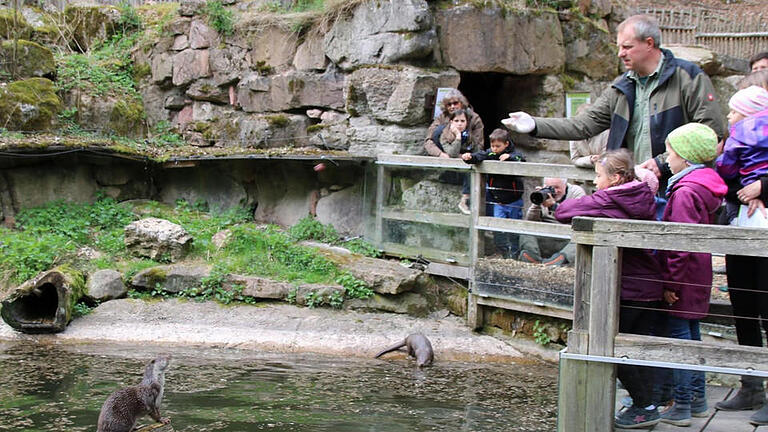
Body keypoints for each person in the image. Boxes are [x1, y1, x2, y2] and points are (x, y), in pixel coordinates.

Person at [502, 14, 726, 184]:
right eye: (619, 47)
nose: (620, 53)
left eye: (627, 47)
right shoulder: (621, 87)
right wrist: (535, 124)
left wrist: (662, 163)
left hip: (678, 183)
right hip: (632, 185)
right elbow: (583, 125)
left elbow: (711, 132)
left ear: (649, 44)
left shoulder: (688, 78)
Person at [554, 149, 663, 429]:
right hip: (648, 282)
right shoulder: (641, 193)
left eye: (599, 176)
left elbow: (563, 211)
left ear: (615, 178)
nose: (596, 181)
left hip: (626, 285)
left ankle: (644, 405)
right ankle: (648, 401)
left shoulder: (610, 198)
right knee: (638, 347)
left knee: (612, 348)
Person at [654, 123, 727, 426]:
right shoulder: (706, 184)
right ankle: (698, 398)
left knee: (680, 338)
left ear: (685, 156)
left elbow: (679, 243)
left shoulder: (685, 192)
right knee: (692, 334)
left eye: (670, 153)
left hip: (683, 276)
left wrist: (670, 283)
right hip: (699, 271)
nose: (666, 158)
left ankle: (681, 403)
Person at [714, 72, 768, 426]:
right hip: (741, 229)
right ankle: (751, 386)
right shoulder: (734, 143)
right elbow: (726, 178)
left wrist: (763, 186)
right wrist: (744, 189)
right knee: (744, 308)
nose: (729, 119)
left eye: (734, 113)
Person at [461, 128, 526, 258]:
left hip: (513, 201)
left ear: (506, 144)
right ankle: (503, 253)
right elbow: (480, 156)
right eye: (493, 146)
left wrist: (510, 157)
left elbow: (521, 158)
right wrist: (469, 157)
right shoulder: (490, 153)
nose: (495, 149)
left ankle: (515, 253)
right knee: (498, 228)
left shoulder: (514, 154)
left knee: (514, 228)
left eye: (498, 146)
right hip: (498, 201)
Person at [423, 89, 484, 214]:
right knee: (439, 130)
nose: (452, 107)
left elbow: (479, 145)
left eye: (455, 103)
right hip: (446, 154)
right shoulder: (441, 118)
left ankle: (465, 200)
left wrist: (460, 154)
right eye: (449, 104)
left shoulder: (474, 118)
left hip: (466, 155)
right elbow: (428, 141)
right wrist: (441, 154)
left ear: (461, 103)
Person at [716, 85, 768, 221]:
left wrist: (761, 188)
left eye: (733, 112)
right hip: (745, 194)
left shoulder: (737, 135)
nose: (728, 116)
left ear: (747, 114)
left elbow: (727, 167)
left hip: (745, 188)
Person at [517, 178, 585, 266]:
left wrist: (554, 206)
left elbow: (578, 219)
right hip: (545, 236)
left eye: (557, 187)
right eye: (550, 188)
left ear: (565, 185)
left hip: (566, 237)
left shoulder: (576, 192)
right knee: (525, 230)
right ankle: (534, 259)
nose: (554, 191)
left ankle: (559, 260)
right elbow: (531, 221)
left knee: (580, 239)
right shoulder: (544, 193)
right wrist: (537, 202)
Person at [569, 104, 609, 168]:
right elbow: (574, 159)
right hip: (583, 173)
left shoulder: (605, 133)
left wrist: (599, 159)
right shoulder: (574, 135)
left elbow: (608, 157)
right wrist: (589, 159)